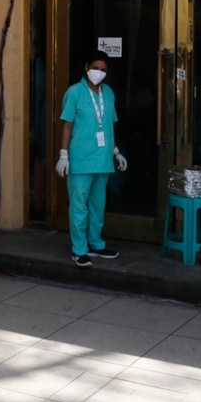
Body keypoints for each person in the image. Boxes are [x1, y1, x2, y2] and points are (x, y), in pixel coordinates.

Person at [57, 49, 128, 267]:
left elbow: (108, 126)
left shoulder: (108, 94)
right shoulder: (75, 92)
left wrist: (116, 152)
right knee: (79, 206)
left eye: (103, 70)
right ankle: (79, 250)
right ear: (86, 68)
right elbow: (67, 125)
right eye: (95, 68)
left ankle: (95, 244)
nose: (99, 72)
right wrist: (63, 155)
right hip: (80, 159)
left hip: (103, 159)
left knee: (98, 205)